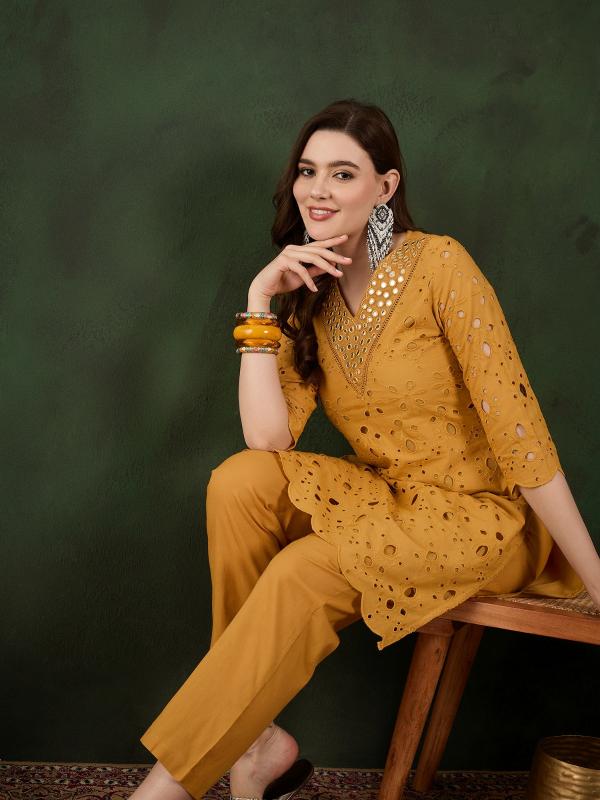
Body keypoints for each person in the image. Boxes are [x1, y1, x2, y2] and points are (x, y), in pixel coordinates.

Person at [131, 99, 600, 800]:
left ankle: (161, 792)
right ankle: (253, 742)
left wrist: (595, 576)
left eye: (342, 173)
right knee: (239, 481)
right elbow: (268, 440)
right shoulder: (309, 292)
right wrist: (261, 300)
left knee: (304, 570)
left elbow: (522, 436)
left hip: (484, 516)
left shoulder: (439, 264)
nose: (317, 190)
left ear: (385, 187)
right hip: (390, 496)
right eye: (307, 171)